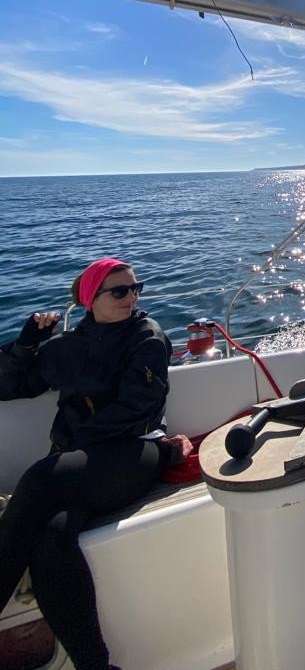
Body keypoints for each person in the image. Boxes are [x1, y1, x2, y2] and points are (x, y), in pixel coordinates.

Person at [0, 257, 173, 670]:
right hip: (78, 469)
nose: (131, 297)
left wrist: (71, 451)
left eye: (136, 288)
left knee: (42, 478)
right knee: (51, 538)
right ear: (89, 298)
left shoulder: (147, 337)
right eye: (119, 291)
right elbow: (9, 386)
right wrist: (25, 345)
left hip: (135, 453)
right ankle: (95, 665)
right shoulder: (66, 348)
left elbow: (136, 408)